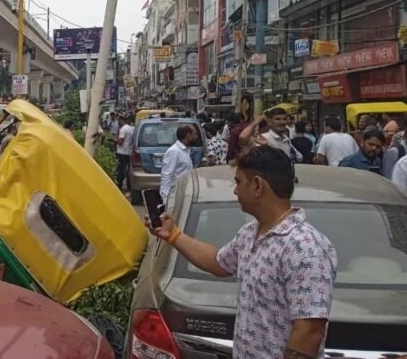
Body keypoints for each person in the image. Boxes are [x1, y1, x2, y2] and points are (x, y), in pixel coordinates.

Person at [144, 146, 337, 358]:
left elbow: (309, 330)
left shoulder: (304, 247)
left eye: (238, 182)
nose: (235, 191)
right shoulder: (251, 233)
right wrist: (173, 235)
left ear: (257, 186)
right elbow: (218, 262)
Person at [159, 125, 198, 201]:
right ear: (188, 135)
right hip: (175, 196)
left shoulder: (186, 150)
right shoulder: (174, 151)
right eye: (195, 134)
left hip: (184, 194)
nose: (196, 137)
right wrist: (166, 200)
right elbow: (166, 176)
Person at [115, 115, 134, 195]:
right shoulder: (130, 128)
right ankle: (128, 188)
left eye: (118, 120)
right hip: (127, 152)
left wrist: (115, 140)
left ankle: (118, 187)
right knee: (126, 170)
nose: (118, 122)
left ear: (121, 120)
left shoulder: (123, 129)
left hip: (121, 152)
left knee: (120, 171)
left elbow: (120, 142)